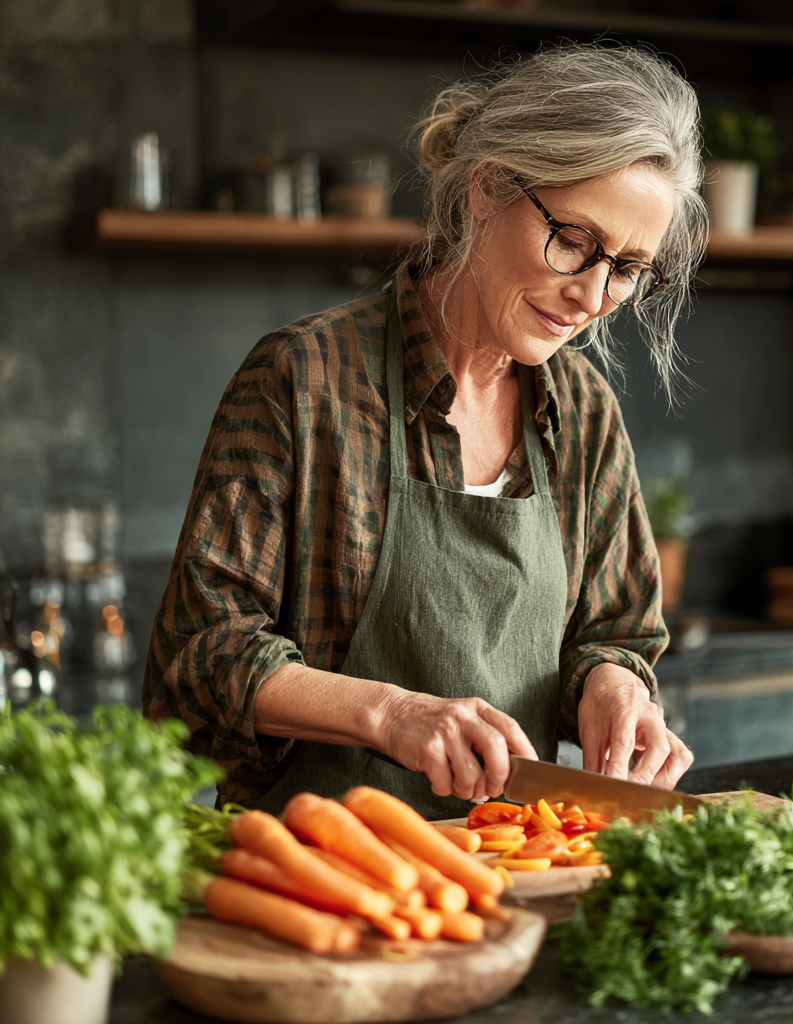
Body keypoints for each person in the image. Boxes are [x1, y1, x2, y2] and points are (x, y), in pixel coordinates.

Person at [143, 43, 707, 818]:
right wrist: (392, 714)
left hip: (514, 871)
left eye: (628, 267)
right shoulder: (303, 381)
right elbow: (200, 656)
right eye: (573, 241)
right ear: (487, 189)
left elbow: (613, 632)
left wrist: (614, 690)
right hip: (318, 877)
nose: (593, 296)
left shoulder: (582, 413)